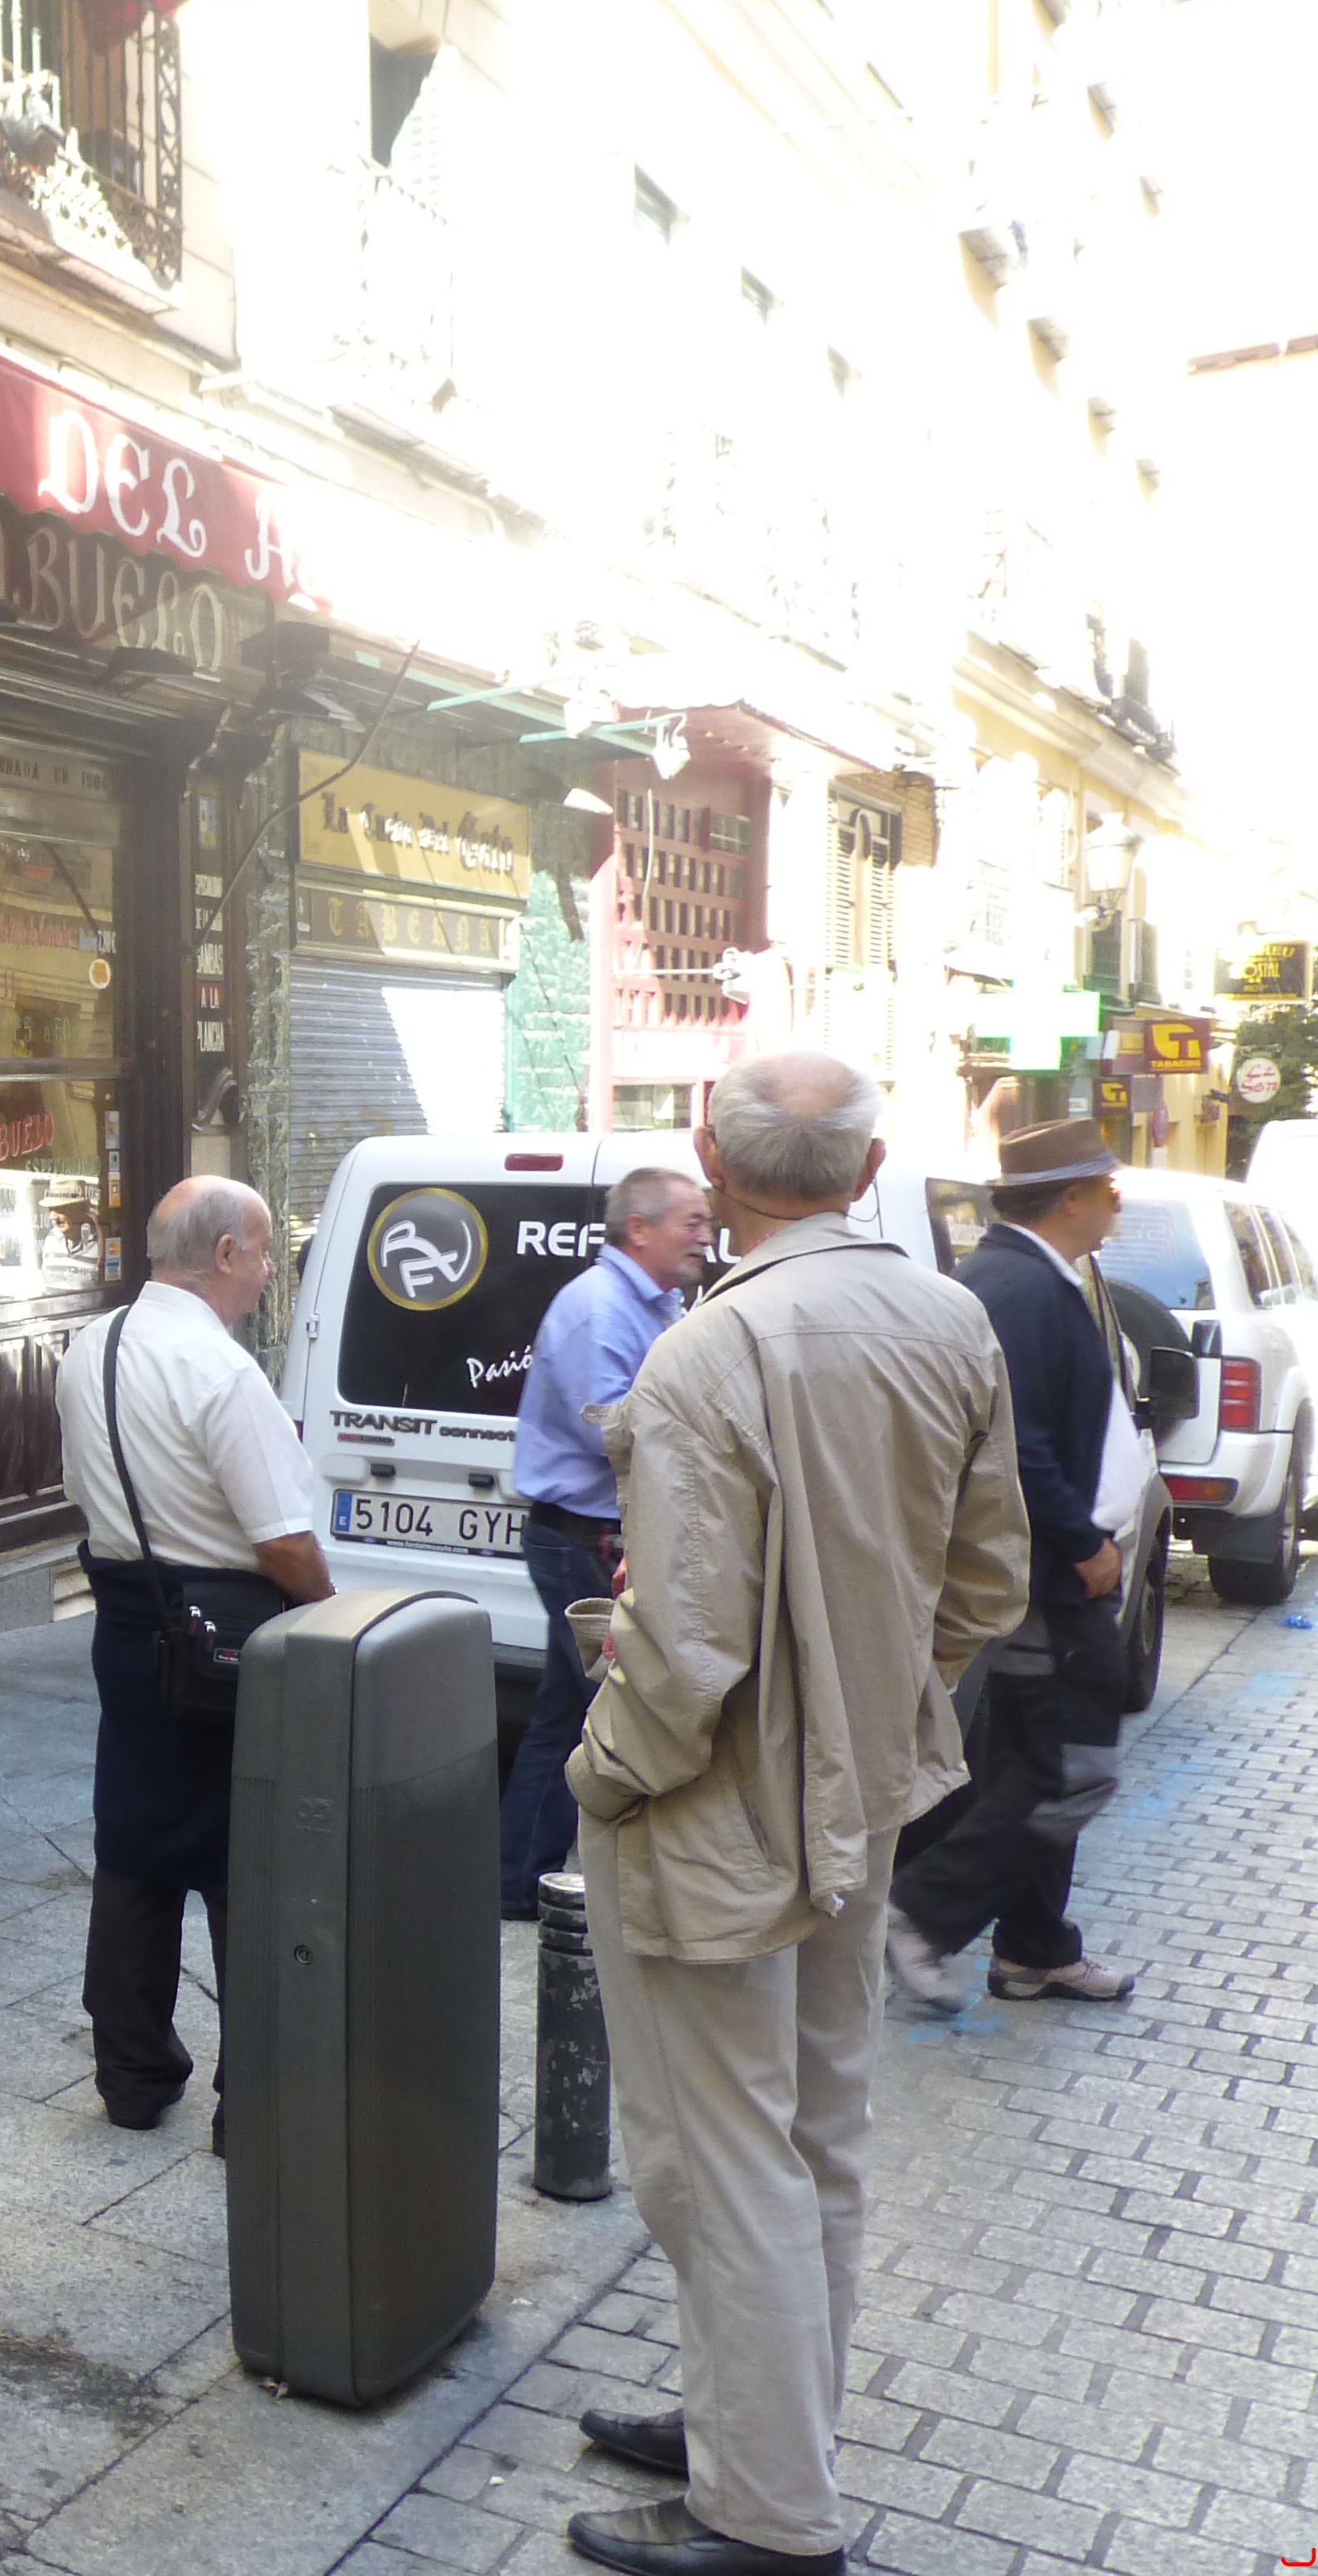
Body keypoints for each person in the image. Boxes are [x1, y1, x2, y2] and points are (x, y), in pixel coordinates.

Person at [560, 1054, 1027, 2576]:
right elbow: (987, 1582)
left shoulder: (712, 1348)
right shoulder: (947, 1317)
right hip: (857, 1790)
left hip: (716, 1800)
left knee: (720, 2153)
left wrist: (604, 1770)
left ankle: (765, 2509)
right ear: (871, 1166)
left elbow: (684, 1650)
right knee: (817, 2129)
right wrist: (877, 1699)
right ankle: (760, 2434)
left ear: (711, 1159)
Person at [57, 1177, 334, 2132]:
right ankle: (251, 2103)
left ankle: (132, 2077)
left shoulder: (91, 1346)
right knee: (241, 1863)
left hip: (128, 1624)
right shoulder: (221, 1370)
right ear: (223, 1255)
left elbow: (82, 1491)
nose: (267, 1274)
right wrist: (333, 1615)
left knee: (135, 1846)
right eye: (262, 1253)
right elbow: (283, 1541)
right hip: (227, 1636)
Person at [886, 1120, 1144, 2010]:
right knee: (1074, 1769)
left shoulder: (1025, 1276)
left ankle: (1035, 1950)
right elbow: (1017, 1448)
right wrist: (1084, 1542)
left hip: (1047, 1571)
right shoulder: (1021, 1289)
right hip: (1052, 1575)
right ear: (1070, 1197)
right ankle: (919, 1912)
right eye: (1109, 1188)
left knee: (1031, 1765)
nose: (1117, 1202)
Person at [501, 1167, 714, 1918]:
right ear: (640, 1230)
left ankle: (516, 1881)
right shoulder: (600, 1308)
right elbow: (614, 1431)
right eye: (691, 1222)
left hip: (595, 1535)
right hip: (583, 1540)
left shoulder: (651, 1303)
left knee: (566, 1716)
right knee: (628, 1720)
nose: (706, 1235)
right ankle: (639, 1896)